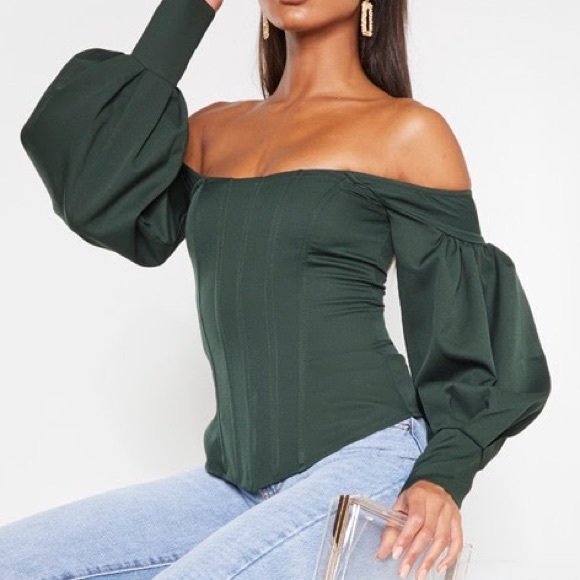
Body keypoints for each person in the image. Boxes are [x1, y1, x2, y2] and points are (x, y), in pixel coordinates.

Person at [2, 0, 551, 578]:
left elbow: (467, 332)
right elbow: (93, 189)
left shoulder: (407, 132)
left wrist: (443, 475)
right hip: (231, 484)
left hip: (367, 468)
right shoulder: (211, 131)